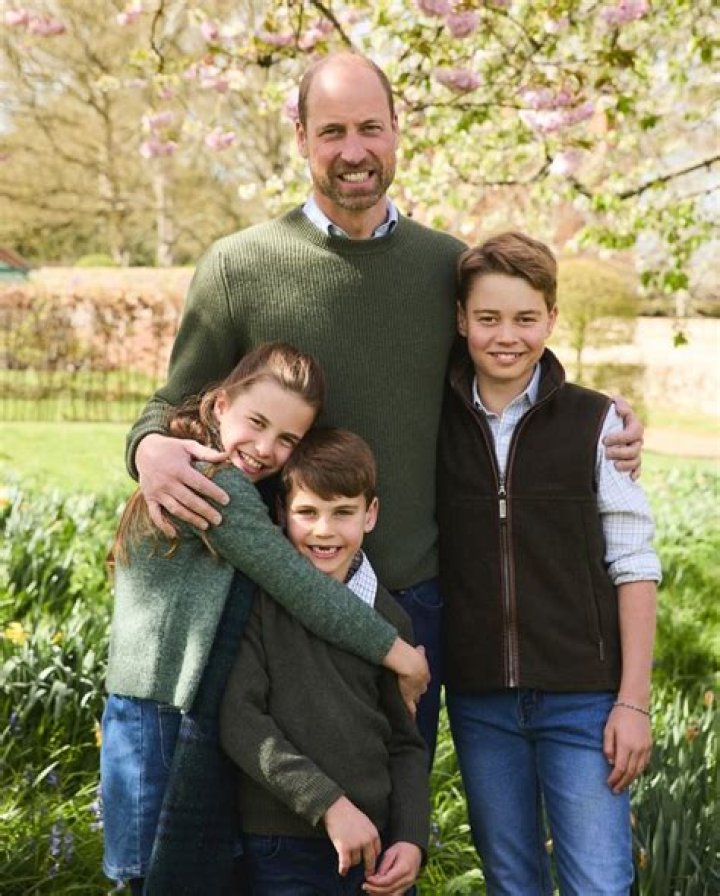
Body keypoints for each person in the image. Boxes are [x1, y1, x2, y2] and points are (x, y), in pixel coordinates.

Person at [125, 50, 644, 759]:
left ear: (397, 131)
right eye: (332, 131)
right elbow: (175, 401)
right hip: (281, 593)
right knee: (284, 834)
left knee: (393, 820)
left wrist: (601, 418)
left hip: (412, 596)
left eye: (370, 128)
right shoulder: (238, 266)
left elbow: (506, 374)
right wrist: (147, 447)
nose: (354, 151)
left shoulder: (445, 267)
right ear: (301, 136)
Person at [101, 343, 427, 895]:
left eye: (287, 440)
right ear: (221, 404)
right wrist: (398, 653)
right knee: (161, 878)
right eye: (256, 422)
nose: (265, 449)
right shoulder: (211, 479)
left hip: (173, 709)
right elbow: (296, 583)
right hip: (158, 715)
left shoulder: (206, 466)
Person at [437, 232, 661, 895]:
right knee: (513, 883)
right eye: (488, 318)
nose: (508, 336)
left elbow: (635, 564)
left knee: (599, 883)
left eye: (526, 318)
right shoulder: (436, 422)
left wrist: (633, 701)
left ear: (552, 319)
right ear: (460, 321)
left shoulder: (596, 423)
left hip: (584, 700)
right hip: (481, 702)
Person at [220, 428, 428, 896]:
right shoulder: (258, 605)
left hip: (376, 851)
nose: (324, 531)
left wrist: (412, 838)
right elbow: (240, 720)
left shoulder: (390, 619)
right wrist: (329, 804)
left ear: (370, 514)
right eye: (307, 512)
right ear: (281, 514)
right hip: (283, 843)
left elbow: (406, 744)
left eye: (343, 513)